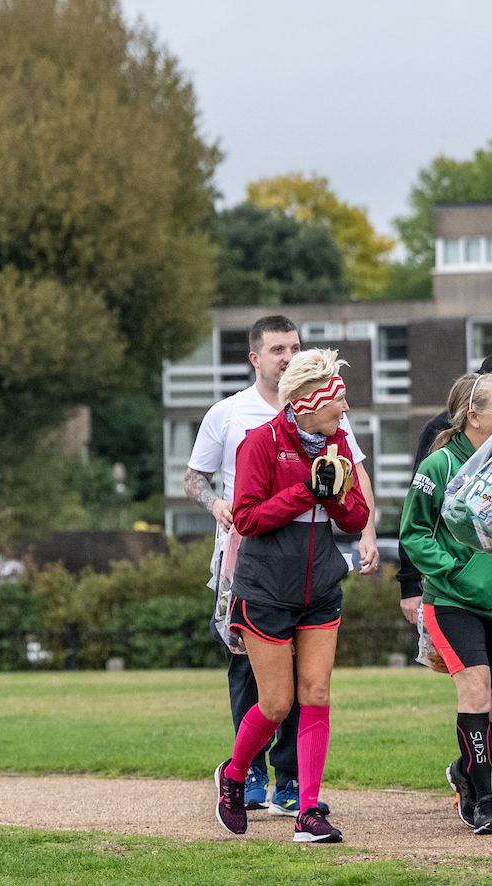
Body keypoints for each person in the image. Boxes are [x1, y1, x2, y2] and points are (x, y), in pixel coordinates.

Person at [212, 350, 371, 843]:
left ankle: (308, 811)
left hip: (320, 589)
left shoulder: (338, 443)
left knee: (316, 695)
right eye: (337, 402)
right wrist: (308, 489)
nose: (344, 412)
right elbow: (248, 519)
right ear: (306, 402)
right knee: (277, 704)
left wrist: (339, 494)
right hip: (264, 592)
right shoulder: (260, 443)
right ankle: (234, 777)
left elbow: (356, 519)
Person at [399, 372, 492, 835]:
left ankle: (463, 770)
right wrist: (454, 570)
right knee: (475, 693)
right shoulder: (438, 465)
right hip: (455, 600)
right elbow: (413, 534)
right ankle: (483, 800)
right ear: (473, 417)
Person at [183, 314, 300, 814]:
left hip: (299, 559)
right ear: (255, 358)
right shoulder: (228, 414)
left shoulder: (313, 411)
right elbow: (194, 478)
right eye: (278, 350)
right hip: (240, 559)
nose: (289, 357)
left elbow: (350, 468)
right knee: (245, 671)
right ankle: (247, 772)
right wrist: (215, 505)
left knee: (295, 673)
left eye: (294, 347)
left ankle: (289, 780)